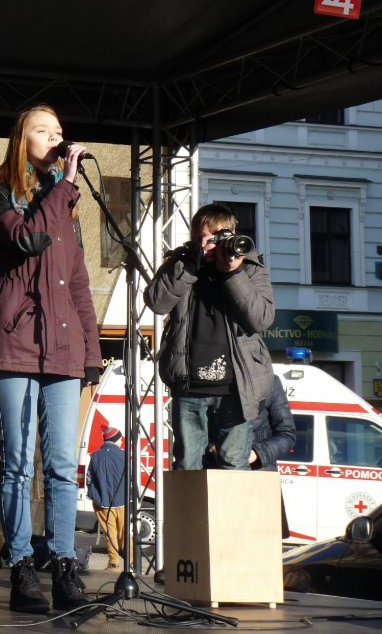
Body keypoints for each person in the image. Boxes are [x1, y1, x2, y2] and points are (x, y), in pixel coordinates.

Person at [0, 105, 102, 614]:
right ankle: (22, 566)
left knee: (60, 466)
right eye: (43, 131)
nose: (54, 139)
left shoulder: (64, 200)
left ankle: (65, 564)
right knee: (16, 463)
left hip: (64, 347)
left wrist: (91, 353)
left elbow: (77, 284)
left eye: (59, 133)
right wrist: (63, 185)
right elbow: (27, 237)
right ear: (22, 137)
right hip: (14, 341)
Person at [144, 203, 275, 471]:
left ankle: (231, 516)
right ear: (196, 237)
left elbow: (261, 319)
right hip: (190, 386)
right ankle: (186, 515)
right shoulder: (181, 263)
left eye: (221, 237)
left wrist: (234, 273)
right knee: (187, 469)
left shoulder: (250, 267)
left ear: (233, 234)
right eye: (208, 238)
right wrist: (191, 266)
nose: (215, 244)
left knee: (234, 468)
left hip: (236, 389)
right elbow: (156, 302)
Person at [206, 374, 295, 537]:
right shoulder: (212, 380)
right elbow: (195, 430)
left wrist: (256, 454)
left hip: (259, 481)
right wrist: (211, 446)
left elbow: (287, 434)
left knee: (259, 551)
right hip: (217, 482)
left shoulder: (270, 381)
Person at [86, 425, 129, 570]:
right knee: (125, 532)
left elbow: (89, 479)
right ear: (116, 439)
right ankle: (131, 562)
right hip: (123, 502)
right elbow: (132, 479)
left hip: (102, 502)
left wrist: (96, 496)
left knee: (110, 533)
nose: (122, 442)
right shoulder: (125, 456)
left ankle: (114, 562)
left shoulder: (95, 455)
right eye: (121, 439)